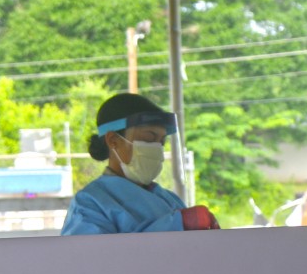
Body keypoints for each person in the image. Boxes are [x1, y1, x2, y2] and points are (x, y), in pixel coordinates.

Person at [60, 92, 219, 235]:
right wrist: (178, 223)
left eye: (161, 141)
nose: (156, 148)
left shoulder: (170, 200)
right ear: (113, 140)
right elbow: (92, 261)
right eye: (149, 138)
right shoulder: (91, 203)